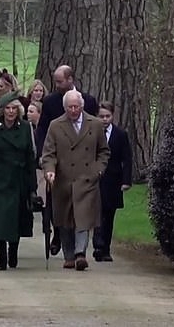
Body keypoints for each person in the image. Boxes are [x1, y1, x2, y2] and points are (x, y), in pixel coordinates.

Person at [41, 89, 110, 271]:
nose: (73, 110)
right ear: (65, 108)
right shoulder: (56, 125)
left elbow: (104, 151)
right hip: (63, 180)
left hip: (87, 180)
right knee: (65, 220)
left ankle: (80, 253)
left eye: (76, 106)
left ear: (82, 106)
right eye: (70, 107)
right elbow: (48, 153)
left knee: (83, 217)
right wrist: (49, 171)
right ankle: (69, 254)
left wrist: (98, 170)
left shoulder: (94, 124)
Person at [36, 65, 99, 256]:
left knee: (82, 210)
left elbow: (95, 136)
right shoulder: (50, 102)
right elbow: (43, 131)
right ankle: (63, 242)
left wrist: (97, 166)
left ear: (70, 79)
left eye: (60, 81)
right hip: (59, 162)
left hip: (83, 167)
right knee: (61, 208)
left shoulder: (88, 101)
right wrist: (43, 158)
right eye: (55, 81)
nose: (56, 85)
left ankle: (79, 253)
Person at [0, 92, 37, 270]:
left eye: (14, 108)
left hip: (18, 179)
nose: (10, 112)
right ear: (2, 110)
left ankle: (13, 251)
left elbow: (30, 157)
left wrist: (32, 185)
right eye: (7, 109)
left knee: (15, 218)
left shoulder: (25, 127)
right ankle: (2, 255)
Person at [92, 101, 133, 262]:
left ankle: (106, 248)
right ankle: (97, 245)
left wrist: (126, 180)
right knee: (96, 212)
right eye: (101, 116)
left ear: (112, 116)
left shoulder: (120, 134)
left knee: (108, 215)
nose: (104, 119)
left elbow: (127, 159)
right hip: (95, 179)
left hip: (113, 180)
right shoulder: (92, 133)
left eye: (107, 116)